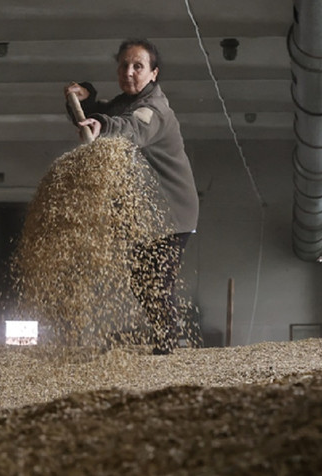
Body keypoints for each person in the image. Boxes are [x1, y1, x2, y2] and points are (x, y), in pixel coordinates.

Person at [64, 38, 200, 355]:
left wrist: (102, 123)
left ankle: (169, 347)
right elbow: (95, 117)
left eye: (138, 66)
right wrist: (85, 93)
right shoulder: (124, 103)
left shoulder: (155, 110)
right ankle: (164, 340)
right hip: (145, 214)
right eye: (124, 65)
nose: (129, 72)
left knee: (156, 282)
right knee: (140, 282)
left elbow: (130, 129)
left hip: (172, 212)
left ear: (153, 74)